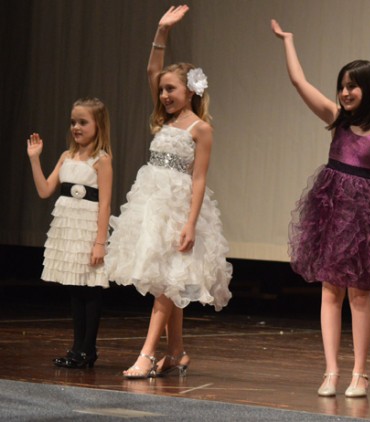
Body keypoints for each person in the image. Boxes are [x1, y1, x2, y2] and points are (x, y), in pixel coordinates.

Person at [271, 20, 370, 398]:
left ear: (369, 89)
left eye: (352, 86)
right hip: (332, 213)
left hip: (364, 221)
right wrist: (289, 42)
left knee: (360, 294)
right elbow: (300, 83)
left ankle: (360, 373)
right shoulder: (336, 120)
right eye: (342, 86)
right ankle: (331, 370)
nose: (345, 92)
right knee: (331, 291)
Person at [105, 5, 232, 379]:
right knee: (169, 278)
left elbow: (199, 179)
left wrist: (191, 224)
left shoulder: (200, 129)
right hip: (152, 203)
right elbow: (151, 69)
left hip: (179, 208)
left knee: (168, 279)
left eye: (171, 89)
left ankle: (146, 353)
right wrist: (161, 32)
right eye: (161, 90)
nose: (163, 95)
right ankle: (176, 351)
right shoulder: (164, 119)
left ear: (190, 92)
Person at [27, 97, 113, 369]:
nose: (76, 127)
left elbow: (105, 203)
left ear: (98, 125)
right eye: (73, 122)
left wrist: (100, 242)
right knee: (76, 290)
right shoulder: (66, 156)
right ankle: (78, 348)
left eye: (83, 122)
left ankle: (88, 349)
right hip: (69, 230)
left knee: (90, 289)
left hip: (88, 229)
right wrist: (35, 159)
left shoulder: (102, 160)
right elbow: (44, 190)